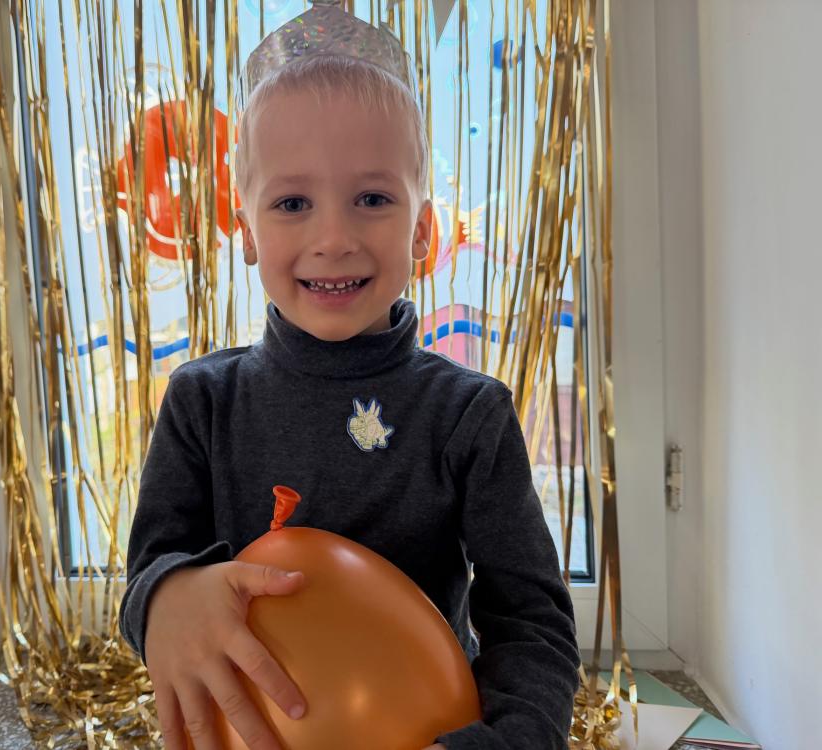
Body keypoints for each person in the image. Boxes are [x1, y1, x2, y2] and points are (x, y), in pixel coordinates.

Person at [119, 4, 579, 749]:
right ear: (246, 230)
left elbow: (531, 622)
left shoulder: (469, 414)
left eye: (372, 199)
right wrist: (167, 596)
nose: (333, 238)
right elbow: (150, 571)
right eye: (292, 203)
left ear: (421, 230)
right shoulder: (202, 403)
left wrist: (504, 743)